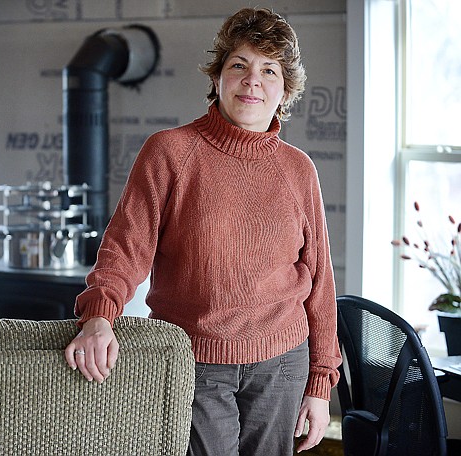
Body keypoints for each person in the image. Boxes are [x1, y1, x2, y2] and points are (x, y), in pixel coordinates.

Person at [64, 7, 342, 455]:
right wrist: (98, 316)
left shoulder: (298, 169)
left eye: (269, 71)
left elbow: (320, 280)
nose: (252, 81)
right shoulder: (169, 152)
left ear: (285, 90)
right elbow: (125, 249)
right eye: (239, 65)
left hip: (282, 364)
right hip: (194, 362)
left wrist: (320, 382)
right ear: (217, 77)